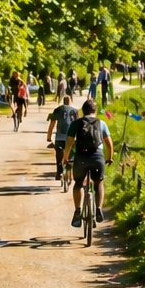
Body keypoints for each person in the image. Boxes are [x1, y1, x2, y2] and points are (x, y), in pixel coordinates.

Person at [64, 99, 113, 227]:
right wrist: (109, 158)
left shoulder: (76, 124)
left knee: (78, 183)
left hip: (81, 158)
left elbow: (69, 142)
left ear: (83, 111)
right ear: (95, 111)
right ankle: (98, 209)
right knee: (99, 183)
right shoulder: (101, 123)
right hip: (97, 158)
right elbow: (109, 143)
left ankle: (77, 212)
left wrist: (65, 157)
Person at [46, 96, 79, 178]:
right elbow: (78, 125)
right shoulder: (75, 111)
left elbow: (52, 124)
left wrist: (49, 137)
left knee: (59, 154)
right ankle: (70, 167)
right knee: (71, 155)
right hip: (71, 138)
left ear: (63, 101)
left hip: (59, 137)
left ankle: (59, 173)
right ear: (70, 101)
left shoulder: (57, 110)